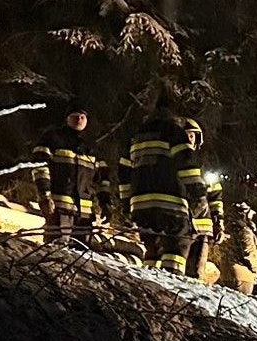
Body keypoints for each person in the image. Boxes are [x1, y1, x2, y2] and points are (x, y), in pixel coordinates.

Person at [117, 101, 208, 275]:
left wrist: (126, 202)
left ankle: (148, 285)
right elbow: (187, 166)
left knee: (151, 249)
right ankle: (169, 288)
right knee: (176, 249)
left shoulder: (136, 136)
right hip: (171, 205)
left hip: (140, 206)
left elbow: (124, 172)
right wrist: (198, 193)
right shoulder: (174, 133)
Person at [29, 104, 101, 244]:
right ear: (67, 119)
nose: (79, 120)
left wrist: (101, 205)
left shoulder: (90, 147)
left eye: (82, 117)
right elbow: (39, 168)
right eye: (75, 116)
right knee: (56, 251)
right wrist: (45, 195)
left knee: (81, 256)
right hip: (58, 208)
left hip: (84, 214)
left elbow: (98, 179)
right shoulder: (52, 139)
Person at [181, 120, 224, 280]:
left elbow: (215, 198)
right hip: (181, 226)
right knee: (178, 268)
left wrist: (219, 222)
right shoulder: (172, 162)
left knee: (197, 272)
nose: (189, 139)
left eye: (192, 135)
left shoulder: (203, 165)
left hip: (203, 228)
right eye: (185, 135)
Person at [222, 202, 257, 295]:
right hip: (243, 274)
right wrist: (256, 269)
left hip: (228, 270)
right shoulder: (245, 231)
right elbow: (249, 253)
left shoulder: (228, 227)